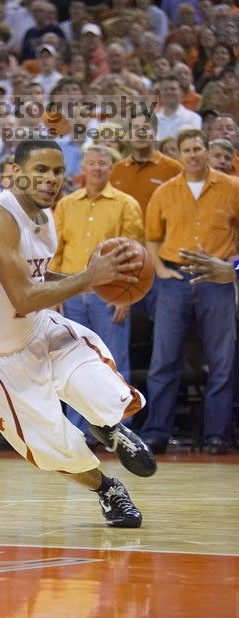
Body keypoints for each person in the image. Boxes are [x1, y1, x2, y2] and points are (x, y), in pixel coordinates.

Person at [0, 139, 157, 530]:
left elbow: (36, 278)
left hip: (37, 328)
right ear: (16, 171)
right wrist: (88, 278)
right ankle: (107, 489)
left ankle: (108, 427)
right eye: (41, 170)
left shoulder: (45, 215)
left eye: (58, 171)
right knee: (55, 448)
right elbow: (24, 296)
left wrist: (99, 282)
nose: (51, 179)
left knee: (103, 388)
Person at [141, 128, 239, 455]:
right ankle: (156, 433)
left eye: (199, 148)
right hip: (174, 280)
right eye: (187, 150)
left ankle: (217, 435)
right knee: (164, 361)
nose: (194, 154)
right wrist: (159, 268)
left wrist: (233, 269)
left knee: (222, 363)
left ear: (208, 151)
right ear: (179, 155)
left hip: (217, 281)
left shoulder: (232, 188)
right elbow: (152, 236)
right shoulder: (166, 191)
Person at [50, 145, 144, 440]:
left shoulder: (126, 203)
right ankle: (77, 433)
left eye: (103, 163)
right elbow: (56, 251)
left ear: (110, 168)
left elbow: (135, 254)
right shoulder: (66, 204)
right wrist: (55, 295)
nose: (97, 168)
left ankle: (118, 432)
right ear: (83, 169)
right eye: (91, 163)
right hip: (72, 293)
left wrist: (126, 295)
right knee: (72, 363)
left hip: (110, 295)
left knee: (113, 361)